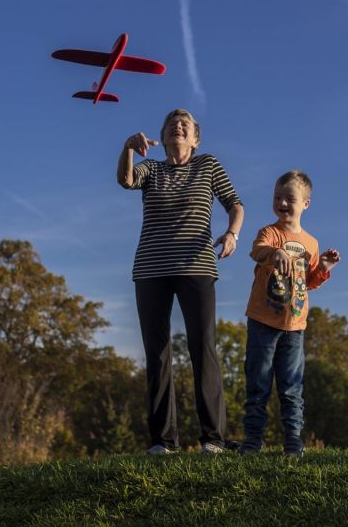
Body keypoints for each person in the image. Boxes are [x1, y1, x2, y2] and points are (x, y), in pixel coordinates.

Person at [118, 108, 244, 454]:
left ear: (195, 139)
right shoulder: (152, 169)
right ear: (163, 136)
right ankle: (162, 441)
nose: (178, 126)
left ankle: (213, 439)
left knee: (202, 347)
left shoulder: (207, 165)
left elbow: (235, 204)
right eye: (172, 124)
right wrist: (128, 148)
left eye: (185, 124)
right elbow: (126, 180)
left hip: (197, 265)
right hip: (151, 268)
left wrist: (232, 234)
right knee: (156, 352)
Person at [240, 170, 340, 456]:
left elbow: (308, 282)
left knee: (291, 386)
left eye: (290, 199)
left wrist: (324, 268)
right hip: (262, 320)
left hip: (295, 325)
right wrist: (275, 253)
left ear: (305, 204)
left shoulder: (311, 243)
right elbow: (257, 250)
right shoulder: (269, 233)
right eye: (277, 197)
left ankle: (293, 441)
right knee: (257, 382)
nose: (282, 203)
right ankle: (252, 441)